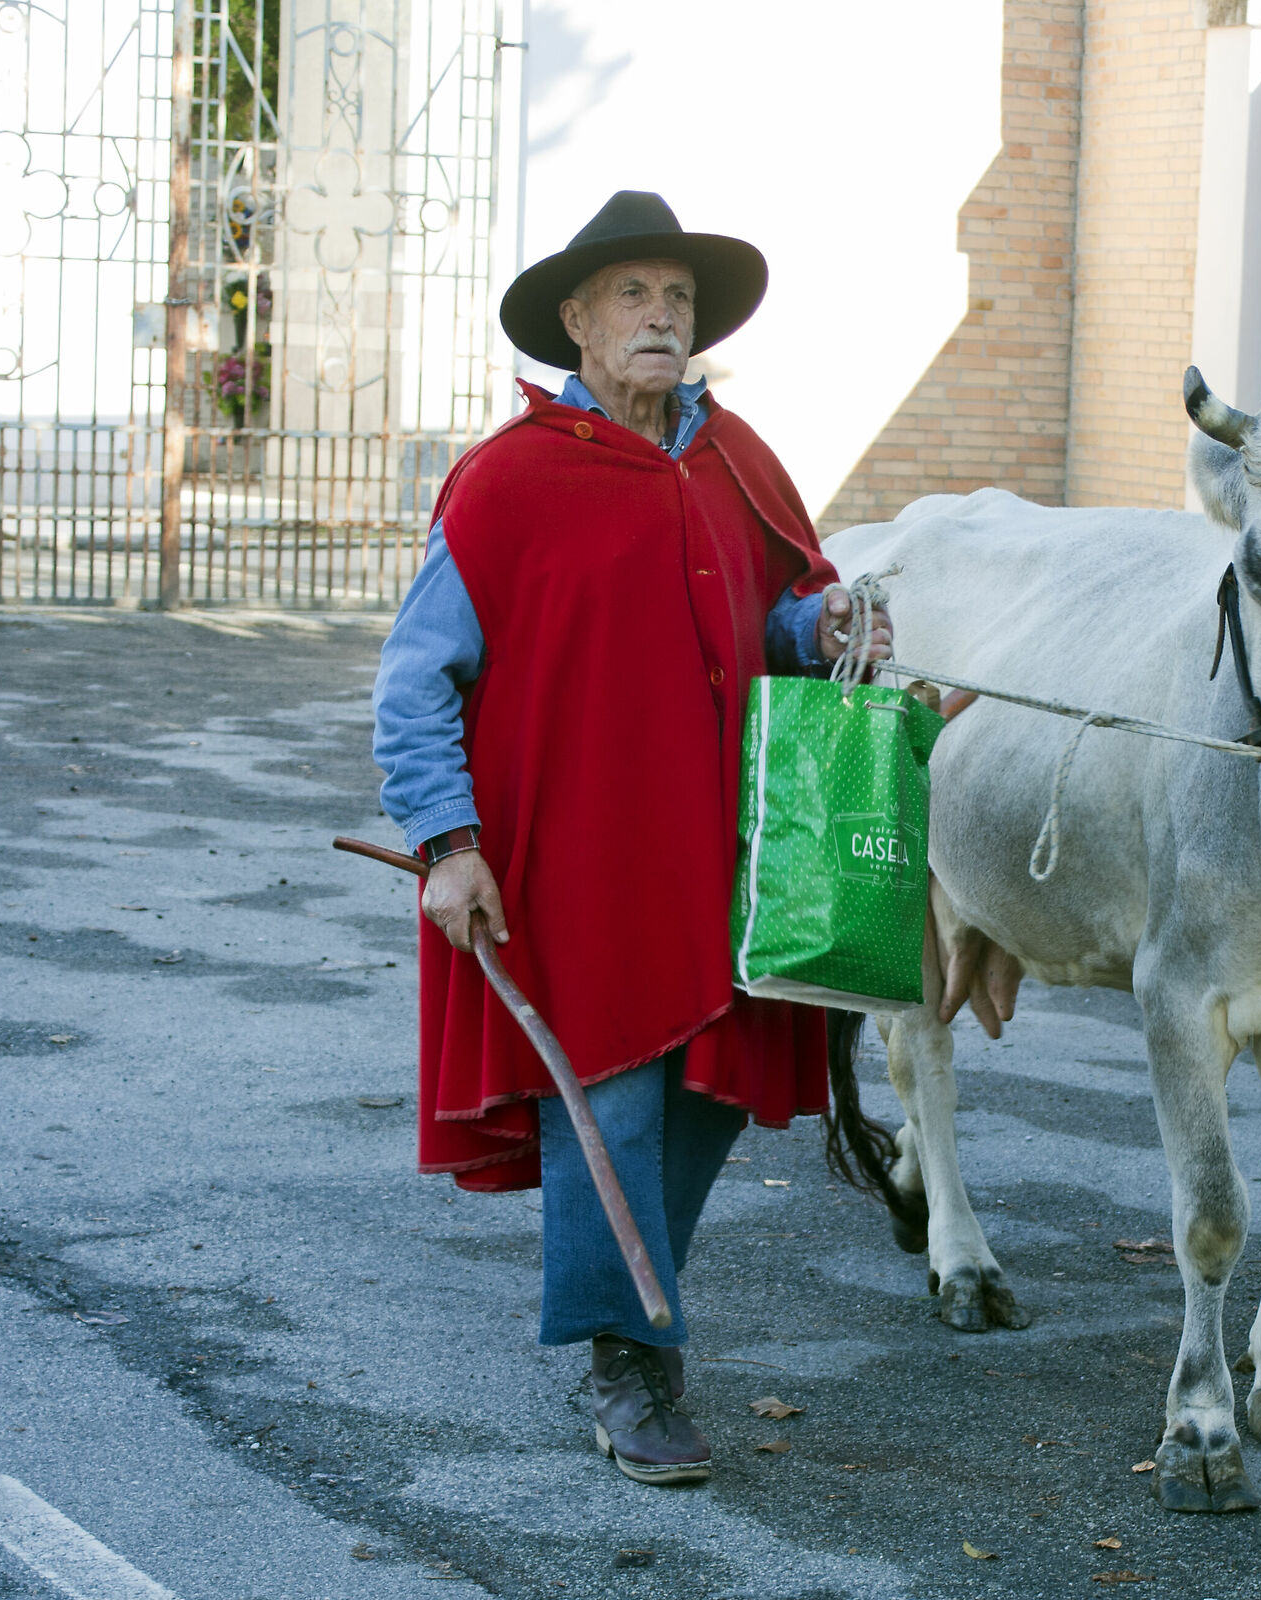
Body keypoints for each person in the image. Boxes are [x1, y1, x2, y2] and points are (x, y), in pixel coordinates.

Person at [370, 191, 890, 1486]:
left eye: (679, 298)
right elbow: (414, 681)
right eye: (634, 296)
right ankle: (629, 1361)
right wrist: (447, 843)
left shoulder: (738, 462)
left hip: (724, 854)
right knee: (609, 1099)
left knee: (707, 1096)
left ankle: (634, 1307)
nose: (663, 318)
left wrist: (821, 629)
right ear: (577, 321)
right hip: (575, 863)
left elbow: (776, 612)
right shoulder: (507, 481)